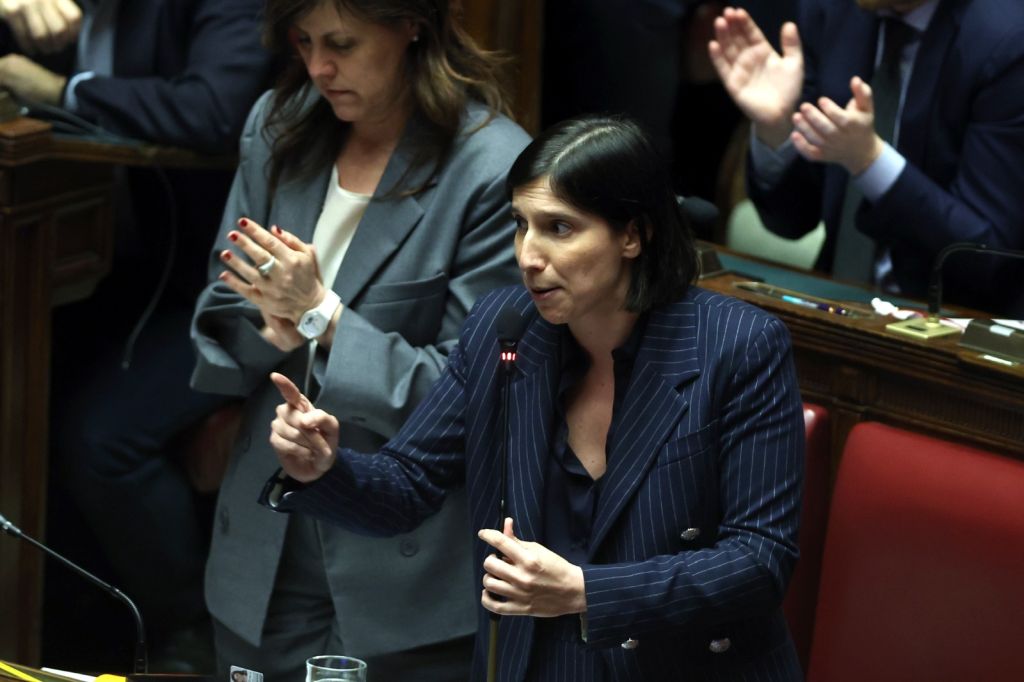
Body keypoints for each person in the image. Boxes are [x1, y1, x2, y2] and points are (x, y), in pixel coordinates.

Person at [265, 116, 806, 681]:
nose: (528, 255)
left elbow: (760, 560)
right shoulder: (505, 329)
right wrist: (323, 468)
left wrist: (587, 592)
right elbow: (408, 485)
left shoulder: (738, 346)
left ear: (632, 235)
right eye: (520, 225)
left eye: (559, 228)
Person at [189, 0, 530, 679]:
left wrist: (321, 315)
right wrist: (270, 330)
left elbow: (469, 392)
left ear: (410, 25)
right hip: (264, 547)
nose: (318, 67)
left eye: (341, 44)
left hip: (402, 562)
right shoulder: (278, 124)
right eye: (304, 41)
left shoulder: (492, 165)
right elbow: (220, 317)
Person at [14, 0, 273, 671]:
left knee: (102, 435)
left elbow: (213, 110)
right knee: (22, 399)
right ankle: (62, 625)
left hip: (221, 286)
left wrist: (63, 90)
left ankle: (188, 635)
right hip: (93, 269)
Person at [709, 1, 1024, 315]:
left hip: (956, 322)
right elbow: (791, 221)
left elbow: (987, 256)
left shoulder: (1008, 39)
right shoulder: (832, 11)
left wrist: (870, 162)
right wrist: (777, 130)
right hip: (836, 311)